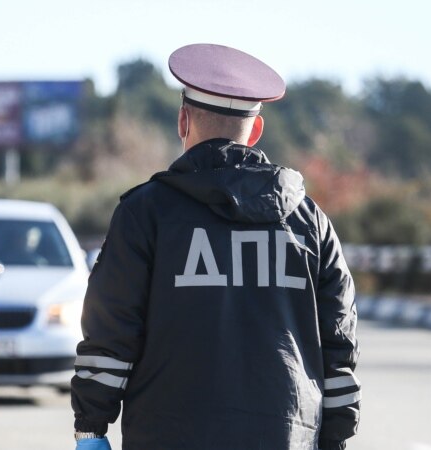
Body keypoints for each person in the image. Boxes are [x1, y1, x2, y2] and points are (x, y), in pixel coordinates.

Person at [71, 44, 359, 450]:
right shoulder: (310, 223)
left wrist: (91, 428)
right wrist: (335, 438)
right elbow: (339, 344)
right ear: (255, 131)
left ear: (183, 120)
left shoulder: (145, 215)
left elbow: (111, 331)